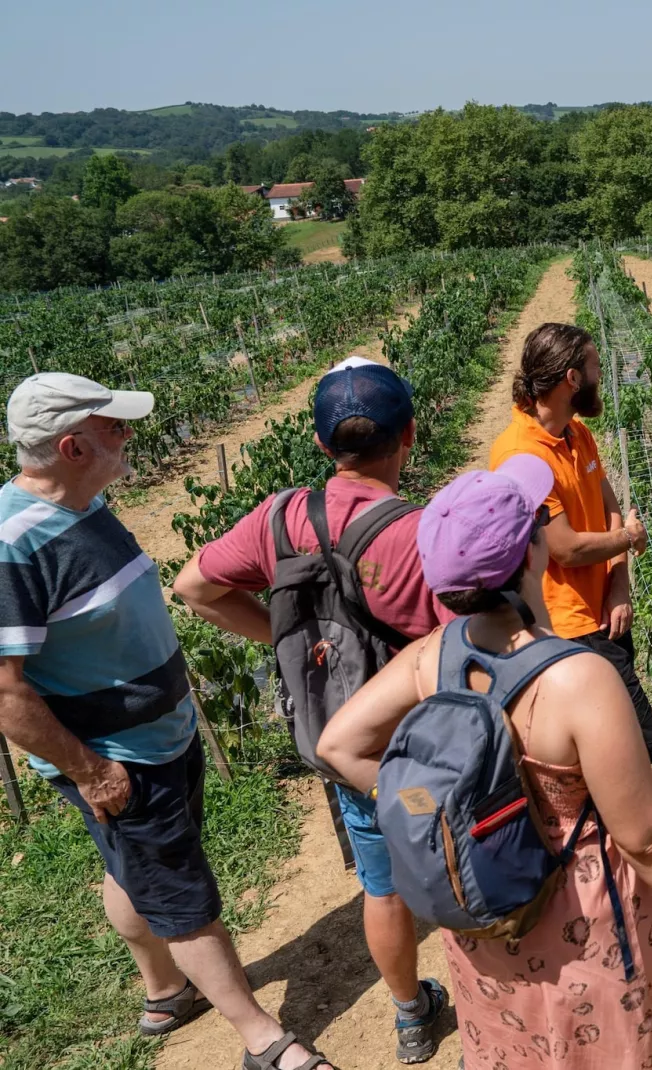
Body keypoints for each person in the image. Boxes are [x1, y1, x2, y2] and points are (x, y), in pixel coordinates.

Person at [316, 456, 652, 1070]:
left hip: (489, 913)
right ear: (532, 554)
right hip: (582, 923)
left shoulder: (432, 655)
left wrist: (438, 811)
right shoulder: (578, 678)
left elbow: (338, 746)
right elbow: (645, 839)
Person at [0, 374, 334, 1070]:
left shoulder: (84, 503)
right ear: (72, 445)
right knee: (181, 890)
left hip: (160, 736)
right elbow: (7, 695)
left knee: (133, 871)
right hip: (119, 755)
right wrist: (92, 772)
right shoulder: (14, 546)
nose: (129, 436)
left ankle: (164, 991)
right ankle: (263, 1040)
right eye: (114, 427)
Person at [173, 356, 450, 1063]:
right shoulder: (420, 531)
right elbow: (460, 644)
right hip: (420, 742)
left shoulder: (279, 518)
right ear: (410, 435)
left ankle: (411, 1016)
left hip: (334, 739)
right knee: (459, 865)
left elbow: (195, 586)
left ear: (323, 445)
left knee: (382, 887)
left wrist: (286, 635)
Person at [490, 322, 652, 762]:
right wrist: (627, 538)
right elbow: (565, 548)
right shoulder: (522, 456)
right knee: (620, 753)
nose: (599, 375)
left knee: (627, 745)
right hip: (568, 627)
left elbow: (610, 507)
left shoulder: (576, 433)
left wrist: (619, 585)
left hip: (604, 610)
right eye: (594, 366)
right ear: (572, 379)